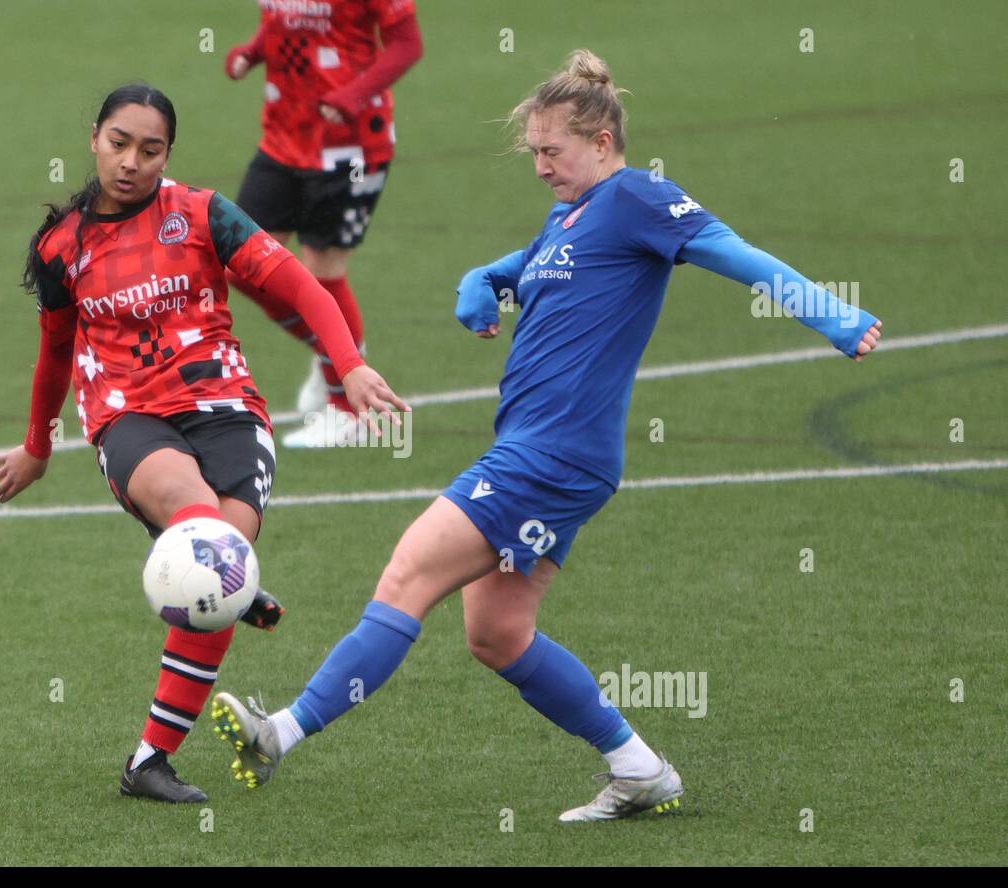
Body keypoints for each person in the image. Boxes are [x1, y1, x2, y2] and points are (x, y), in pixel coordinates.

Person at [211, 50, 883, 820]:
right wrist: (480, 284)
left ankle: (280, 735)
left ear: (601, 141)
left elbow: (734, 253)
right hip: (546, 453)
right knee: (497, 633)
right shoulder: (571, 216)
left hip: (552, 456)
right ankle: (640, 769)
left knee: (408, 576)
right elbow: (523, 264)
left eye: (551, 151)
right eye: (532, 152)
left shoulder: (637, 198)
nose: (539, 166)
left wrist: (835, 315)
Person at [0, 83, 406, 804]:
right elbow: (55, 355)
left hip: (228, 407)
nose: (131, 163)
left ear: (167, 154)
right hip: (128, 416)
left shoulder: (203, 214)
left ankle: (149, 761)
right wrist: (37, 447)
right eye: (119, 143)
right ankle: (234, 581)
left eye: (150, 150)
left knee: (216, 577)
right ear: (94, 138)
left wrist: (349, 363)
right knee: (211, 540)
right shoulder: (63, 246)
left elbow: (302, 285)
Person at [222, 0, 423, 448]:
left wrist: (351, 96)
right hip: (281, 139)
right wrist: (251, 53)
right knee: (239, 265)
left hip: (347, 146)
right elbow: (281, 22)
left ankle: (347, 409)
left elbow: (407, 45)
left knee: (322, 269)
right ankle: (342, 354)